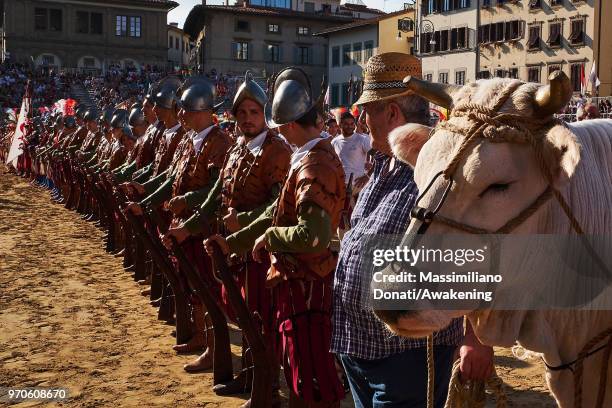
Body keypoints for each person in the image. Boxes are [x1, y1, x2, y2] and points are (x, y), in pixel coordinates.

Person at [332, 53, 494, 408]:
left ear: (392, 113)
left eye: (368, 111)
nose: (360, 120)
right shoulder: (383, 163)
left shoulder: (441, 169)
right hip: (361, 347)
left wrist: (476, 337)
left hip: (408, 354)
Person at [163, 72, 291, 397]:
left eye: (254, 112)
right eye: (242, 113)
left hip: (259, 251)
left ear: (265, 114)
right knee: (243, 316)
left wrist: (243, 223)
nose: (248, 119)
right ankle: (250, 376)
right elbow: (213, 198)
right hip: (233, 250)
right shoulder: (236, 149)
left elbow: (278, 206)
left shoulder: (276, 151)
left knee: (262, 320)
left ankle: (267, 387)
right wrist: (186, 229)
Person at [247, 67, 346, 407]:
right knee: (303, 369)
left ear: (290, 126)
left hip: (308, 284)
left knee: (311, 372)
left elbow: (312, 236)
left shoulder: (313, 166)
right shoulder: (311, 158)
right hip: (304, 282)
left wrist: (272, 236)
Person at [331, 111, 371, 191]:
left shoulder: (362, 139)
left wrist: (367, 176)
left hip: (358, 187)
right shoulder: (334, 142)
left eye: (352, 124)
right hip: (340, 186)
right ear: (340, 125)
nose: (350, 126)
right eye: (346, 124)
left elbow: (379, 157)